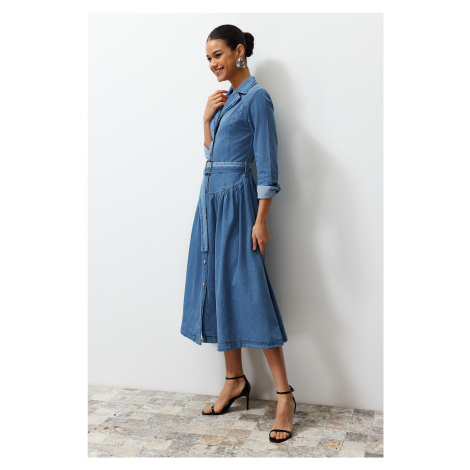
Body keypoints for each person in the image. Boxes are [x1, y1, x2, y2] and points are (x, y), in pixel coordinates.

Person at [180, 24, 296, 443]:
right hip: (210, 205)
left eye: (218, 55)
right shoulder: (225, 99)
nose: (213, 64)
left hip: (238, 206)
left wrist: (261, 220)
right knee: (216, 288)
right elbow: (214, 154)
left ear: (239, 51)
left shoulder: (257, 98)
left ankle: (285, 396)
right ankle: (234, 379)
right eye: (208, 58)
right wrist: (206, 119)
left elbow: (267, 163)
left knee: (249, 291)